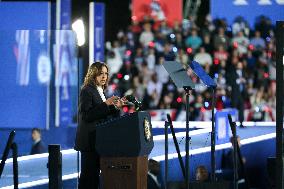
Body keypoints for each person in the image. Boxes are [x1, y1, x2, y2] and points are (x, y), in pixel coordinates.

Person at [74, 62, 127, 189]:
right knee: (88, 178)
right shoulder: (87, 90)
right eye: (100, 73)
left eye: (106, 74)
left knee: (94, 179)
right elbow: (86, 115)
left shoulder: (100, 91)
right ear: (93, 74)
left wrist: (115, 108)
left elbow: (102, 115)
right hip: (89, 142)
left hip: (98, 141)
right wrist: (106, 104)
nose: (104, 76)